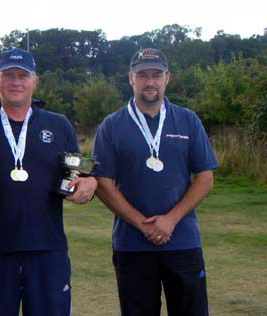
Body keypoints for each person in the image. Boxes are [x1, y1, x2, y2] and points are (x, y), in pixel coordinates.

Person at [0, 47, 97, 316]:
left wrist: (90, 184)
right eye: (8, 75)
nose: (16, 82)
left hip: (48, 251)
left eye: (23, 75)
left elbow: (80, 175)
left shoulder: (59, 125)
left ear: (35, 81)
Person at [92, 48, 218, 316]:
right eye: (142, 75)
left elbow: (205, 178)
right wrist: (143, 224)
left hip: (182, 241)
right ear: (131, 78)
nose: (150, 82)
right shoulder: (111, 125)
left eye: (156, 75)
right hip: (132, 244)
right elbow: (103, 183)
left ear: (167, 78)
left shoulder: (188, 120)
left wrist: (170, 220)